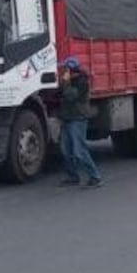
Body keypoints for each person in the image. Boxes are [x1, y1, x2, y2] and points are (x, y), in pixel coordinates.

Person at [58, 56, 102, 188]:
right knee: (66, 149)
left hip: (78, 119)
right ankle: (72, 176)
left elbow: (71, 96)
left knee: (79, 150)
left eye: (65, 69)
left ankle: (95, 177)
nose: (63, 71)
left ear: (71, 70)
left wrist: (65, 83)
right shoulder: (71, 81)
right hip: (68, 118)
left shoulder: (81, 82)